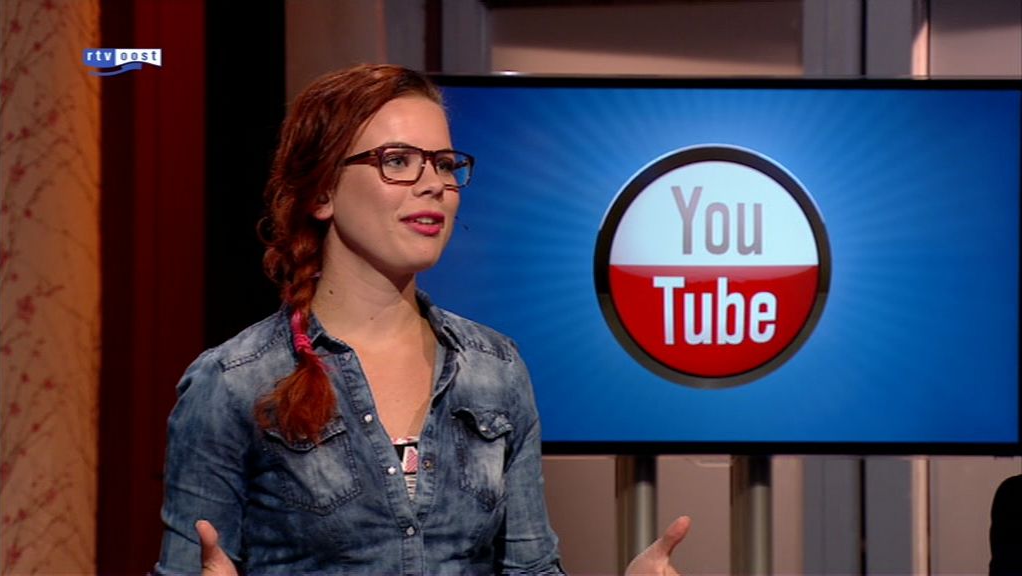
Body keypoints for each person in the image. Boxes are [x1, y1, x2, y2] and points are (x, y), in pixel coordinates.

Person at [155, 63, 689, 575]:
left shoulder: (495, 368)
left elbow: (530, 569)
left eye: (444, 164)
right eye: (398, 160)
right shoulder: (234, 382)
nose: (433, 183)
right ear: (322, 192)